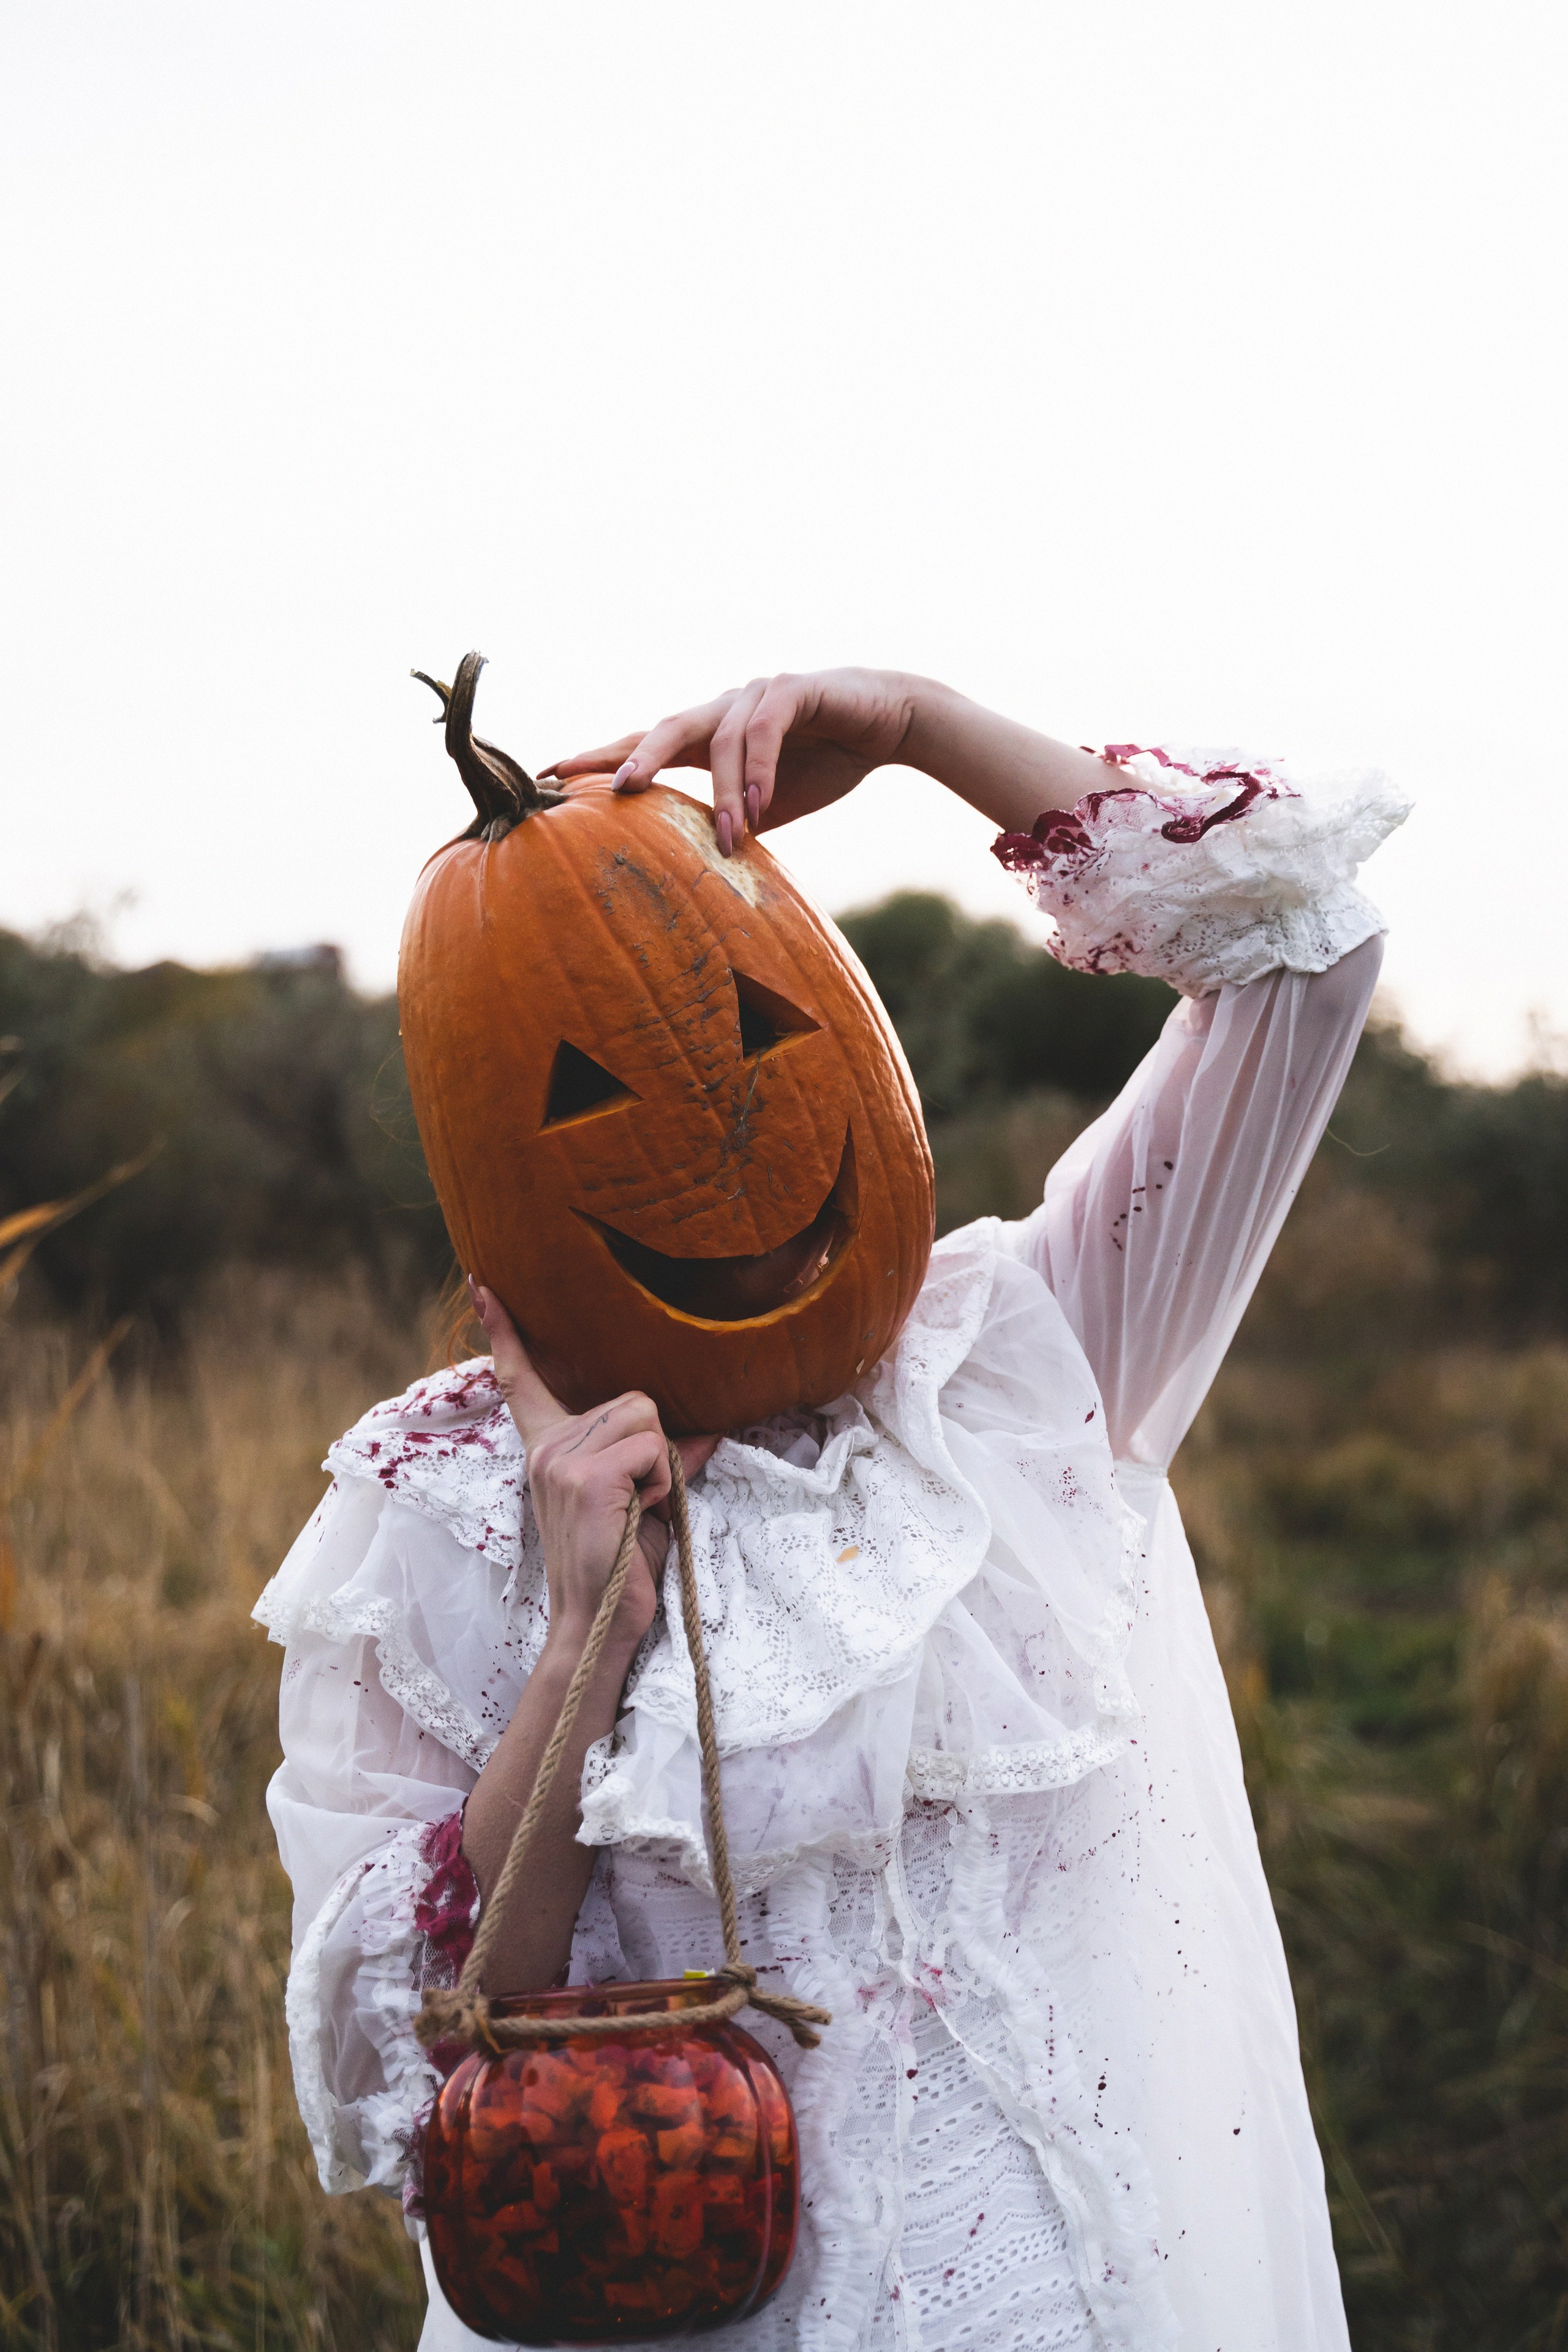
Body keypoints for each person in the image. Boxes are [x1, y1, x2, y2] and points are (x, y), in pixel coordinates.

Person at [255, 669, 1408, 2351]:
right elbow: (424, 2064)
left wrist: (919, 732)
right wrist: (585, 1641)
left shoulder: (1031, 1359)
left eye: (762, 1035)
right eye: (587, 1098)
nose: (716, 1138)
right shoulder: (438, 1516)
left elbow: (1301, 953)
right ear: (492, 1155)